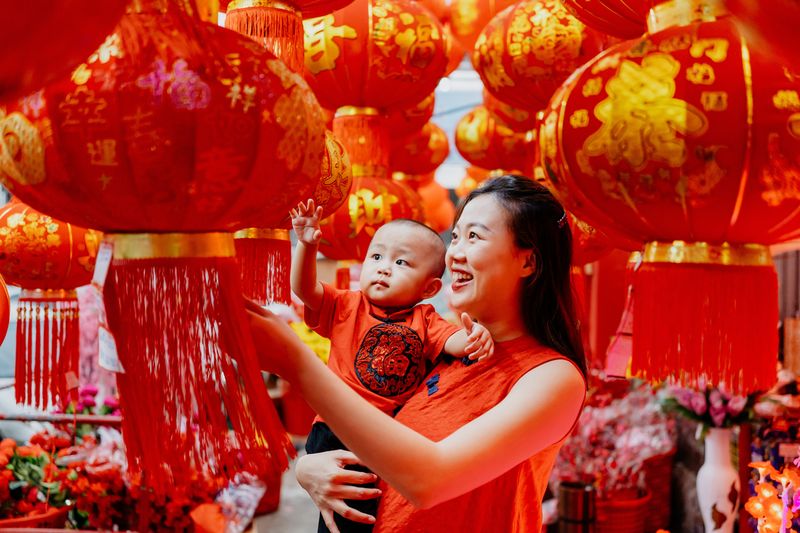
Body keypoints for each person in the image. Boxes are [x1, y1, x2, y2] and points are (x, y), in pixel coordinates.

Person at [248, 176, 586, 532]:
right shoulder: (439, 349)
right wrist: (311, 465)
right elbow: (383, 437)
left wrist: (296, 364)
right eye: (455, 236)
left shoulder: (552, 377)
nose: (453, 252)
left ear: (528, 262)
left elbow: (430, 479)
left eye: (474, 236)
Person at [289, 200, 494, 533]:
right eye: (376, 257)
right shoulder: (347, 305)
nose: (384, 268)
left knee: (369, 512)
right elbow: (305, 290)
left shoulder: (425, 319)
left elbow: (453, 342)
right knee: (346, 515)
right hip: (335, 430)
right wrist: (307, 247)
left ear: (429, 288)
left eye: (401, 262)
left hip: (382, 437)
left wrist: (476, 337)